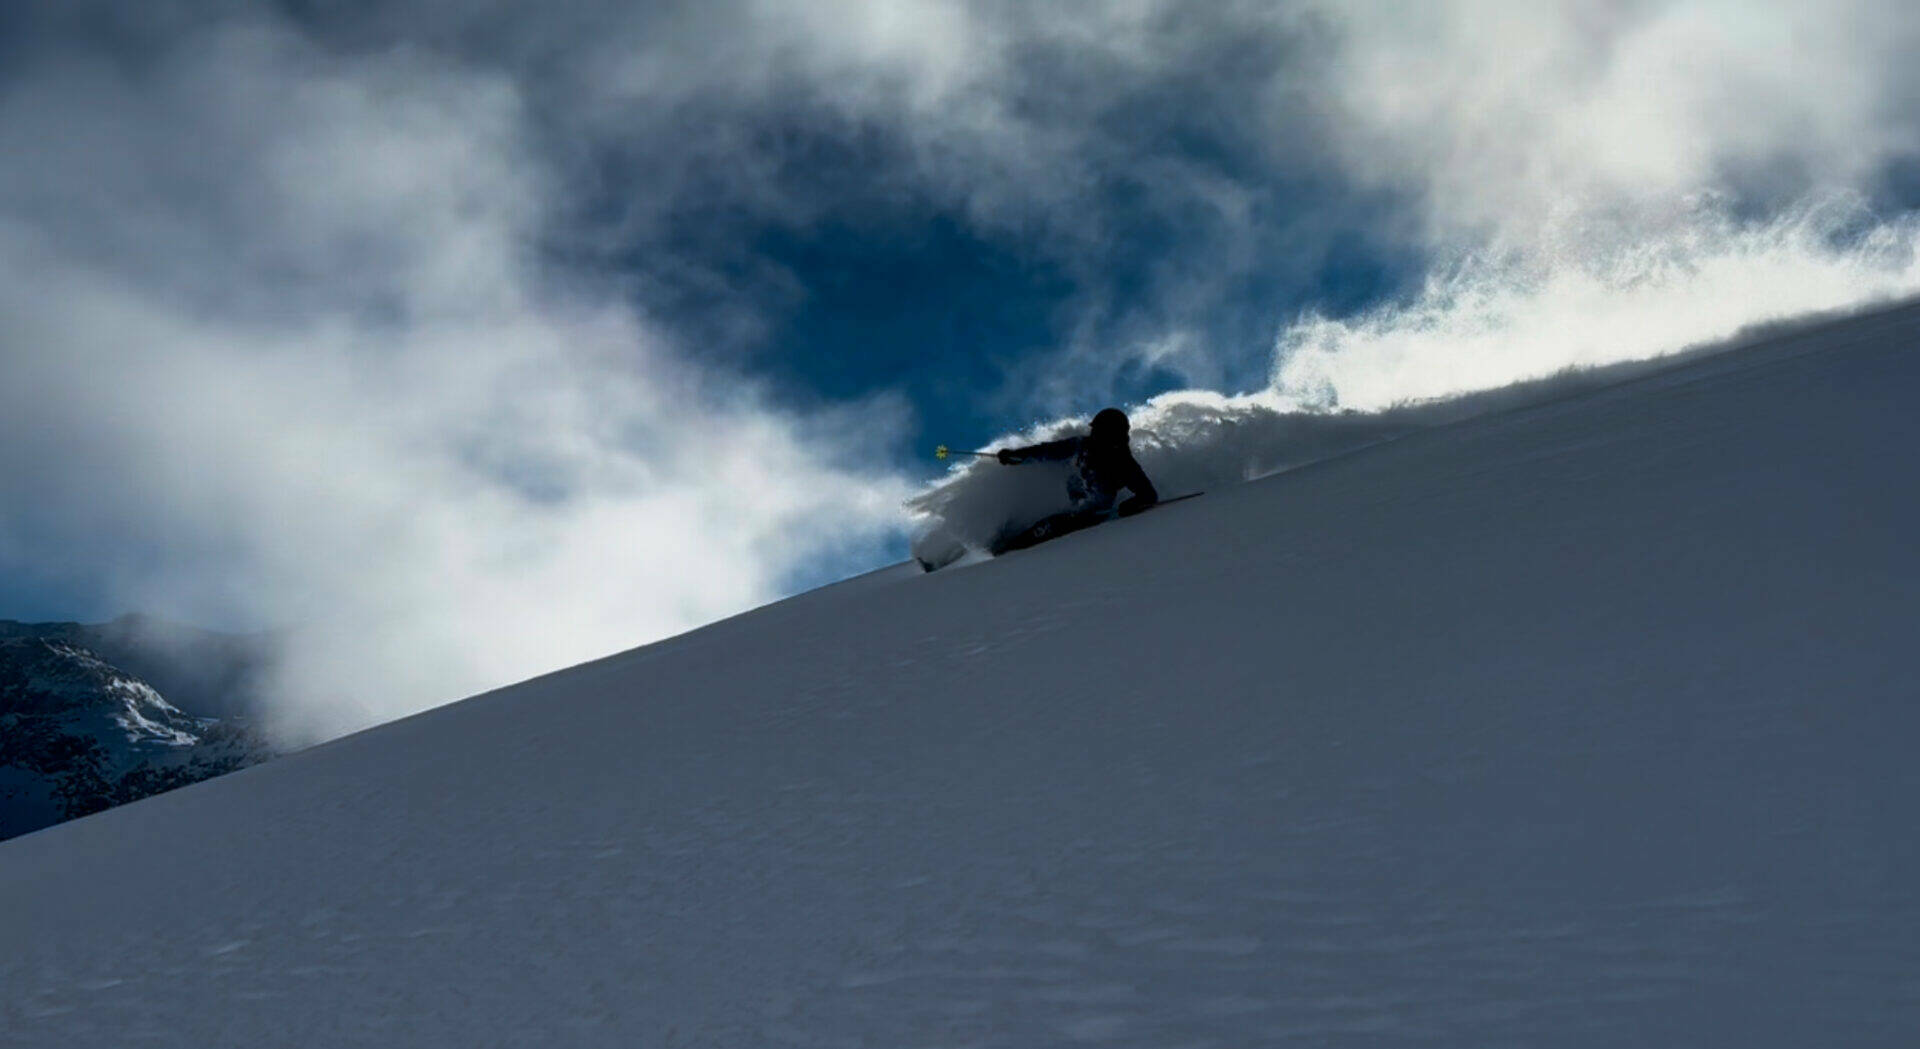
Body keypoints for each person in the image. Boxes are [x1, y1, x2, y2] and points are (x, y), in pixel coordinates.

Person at [991, 407, 1158, 553]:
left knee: (1050, 526)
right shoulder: (1082, 445)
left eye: (1100, 432)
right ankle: (1005, 539)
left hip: (1091, 514)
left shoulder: (1122, 462)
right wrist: (1017, 456)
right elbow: (1048, 451)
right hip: (1075, 501)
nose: (1094, 435)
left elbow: (1148, 495)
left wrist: (1130, 506)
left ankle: (1008, 551)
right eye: (1095, 431)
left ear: (1112, 435)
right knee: (1045, 521)